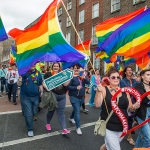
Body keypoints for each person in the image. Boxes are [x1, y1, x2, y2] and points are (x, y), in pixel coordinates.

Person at [94, 67, 140, 150]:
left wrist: (135, 107)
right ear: (109, 79)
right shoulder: (104, 89)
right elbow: (97, 105)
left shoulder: (125, 91)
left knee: (108, 146)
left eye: (118, 77)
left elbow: (130, 109)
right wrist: (98, 91)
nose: (116, 79)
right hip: (109, 126)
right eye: (113, 77)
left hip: (123, 126)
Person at [43, 62, 70, 135]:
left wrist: (69, 77)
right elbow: (44, 83)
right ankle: (48, 123)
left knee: (61, 112)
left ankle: (64, 129)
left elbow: (66, 84)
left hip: (62, 95)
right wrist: (46, 87)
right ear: (52, 67)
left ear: (59, 67)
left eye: (57, 66)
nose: (55, 67)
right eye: (54, 66)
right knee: (51, 111)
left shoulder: (62, 74)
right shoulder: (48, 74)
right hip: (53, 95)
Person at [19, 65, 43, 137]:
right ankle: (30, 129)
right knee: (28, 114)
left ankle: (28, 115)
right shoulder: (23, 72)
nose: (33, 65)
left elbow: (40, 84)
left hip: (35, 97)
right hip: (25, 97)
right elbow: (18, 84)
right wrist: (19, 80)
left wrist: (41, 91)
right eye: (31, 63)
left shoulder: (38, 73)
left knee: (34, 112)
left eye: (34, 63)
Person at [67, 64, 90, 135]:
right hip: (74, 97)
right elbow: (68, 87)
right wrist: (75, 88)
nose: (76, 69)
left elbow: (88, 82)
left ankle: (71, 117)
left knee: (75, 109)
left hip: (81, 97)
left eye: (77, 68)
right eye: (75, 68)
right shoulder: (71, 77)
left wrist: (84, 76)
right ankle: (78, 127)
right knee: (77, 111)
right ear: (73, 69)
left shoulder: (81, 76)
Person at [120, 66, 137, 145]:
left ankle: (131, 127)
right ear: (125, 72)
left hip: (135, 102)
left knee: (136, 118)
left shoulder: (134, 81)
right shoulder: (123, 81)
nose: (130, 71)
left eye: (131, 70)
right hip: (127, 102)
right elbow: (125, 91)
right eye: (128, 70)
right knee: (129, 119)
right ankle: (129, 137)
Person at [134, 69, 150, 148]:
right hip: (142, 112)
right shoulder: (138, 86)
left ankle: (136, 148)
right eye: (148, 74)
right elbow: (144, 99)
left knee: (142, 134)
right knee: (148, 138)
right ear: (143, 77)